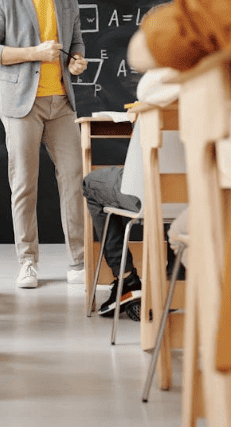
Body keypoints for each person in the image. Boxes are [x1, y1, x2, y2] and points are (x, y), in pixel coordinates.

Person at [0, 0, 88, 288]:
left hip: (61, 102)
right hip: (20, 103)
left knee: (73, 179)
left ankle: (79, 261)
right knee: (24, 184)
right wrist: (32, 54)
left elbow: (76, 42)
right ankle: (27, 261)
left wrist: (76, 61)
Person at [83, 68, 181, 319]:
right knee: (179, 199)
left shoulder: (157, 82)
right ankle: (175, 279)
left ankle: (126, 278)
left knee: (93, 182)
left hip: (145, 194)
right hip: (199, 200)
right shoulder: (218, 85)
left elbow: (147, 86)